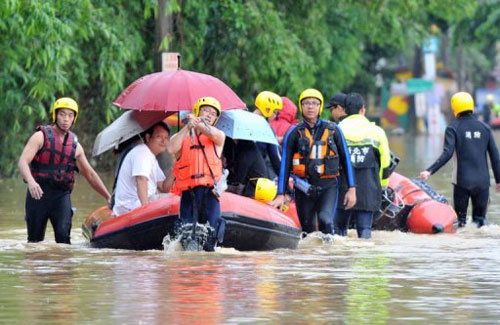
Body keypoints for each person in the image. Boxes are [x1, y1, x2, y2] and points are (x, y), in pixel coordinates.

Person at [18, 97, 111, 244]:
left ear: (74, 118)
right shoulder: (40, 137)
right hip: (37, 195)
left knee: (63, 239)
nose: (66, 119)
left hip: (60, 197)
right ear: (55, 115)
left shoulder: (76, 146)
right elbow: (23, 161)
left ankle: (63, 267)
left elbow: (90, 175)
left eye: (70, 115)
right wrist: (30, 181)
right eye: (62, 114)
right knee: (34, 242)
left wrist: (108, 196)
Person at [272, 88, 356, 234]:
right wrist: (281, 193)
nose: (310, 107)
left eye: (315, 103)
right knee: (307, 229)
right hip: (303, 187)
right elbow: (285, 164)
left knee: (326, 220)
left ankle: (327, 255)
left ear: (320, 107)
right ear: (301, 107)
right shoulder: (293, 133)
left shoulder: (333, 130)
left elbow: (346, 160)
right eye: (306, 103)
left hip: (328, 186)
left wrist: (352, 189)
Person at [419, 92, 500, 228]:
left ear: (454, 108)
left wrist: (429, 171)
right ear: (472, 106)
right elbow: (495, 156)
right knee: (480, 222)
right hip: (483, 183)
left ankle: (461, 248)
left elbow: (447, 153)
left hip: (462, 182)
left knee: (460, 223)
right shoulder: (485, 128)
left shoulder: (453, 128)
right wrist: (499, 180)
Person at [169, 97, 226, 251]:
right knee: (186, 241)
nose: (209, 115)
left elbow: (214, 134)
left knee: (210, 241)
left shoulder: (219, 137)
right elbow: (171, 148)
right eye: (206, 110)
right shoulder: (182, 137)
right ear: (197, 111)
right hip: (189, 195)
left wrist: (198, 123)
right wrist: (188, 127)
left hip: (210, 195)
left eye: (213, 114)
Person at [334, 93, 391, 239]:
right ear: (363, 109)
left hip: (343, 186)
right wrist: (383, 185)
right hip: (368, 186)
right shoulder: (377, 132)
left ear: (345, 110)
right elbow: (385, 162)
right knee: (365, 230)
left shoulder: (336, 130)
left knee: (339, 230)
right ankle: (363, 258)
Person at [112, 121, 173, 216]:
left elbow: (164, 187)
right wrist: (146, 211)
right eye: (159, 137)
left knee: (175, 198)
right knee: (173, 200)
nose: (164, 141)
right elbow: (141, 179)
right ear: (148, 137)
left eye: (166, 138)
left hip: (137, 203)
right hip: (130, 205)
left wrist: (177, 166)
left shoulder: (151, 156)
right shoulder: (142, 152)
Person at [253, 91, 283, 179]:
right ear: (267, 110)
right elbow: (275, 157)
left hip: (234, 178)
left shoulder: (240, 121)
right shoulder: (267, 129)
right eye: (275, 112)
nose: (275, 116)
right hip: (256, 178)